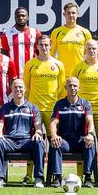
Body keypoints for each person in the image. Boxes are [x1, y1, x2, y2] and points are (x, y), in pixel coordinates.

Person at [23, 35, 65, 184]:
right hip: (34, 110)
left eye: (47, 45)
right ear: (37, 46)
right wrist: (32, 104)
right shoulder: (30, 64)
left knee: (54, 141)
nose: (45, 47)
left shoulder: (58, 64)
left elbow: (61, 88)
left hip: (52, 109)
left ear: (51, 45)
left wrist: (54, 103)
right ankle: (29, 175)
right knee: (33, 140)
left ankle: (54, 175)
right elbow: (26, 87)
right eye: (42, 45)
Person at [0, 79, 45, 188]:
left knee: (39, 142)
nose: (18, 89)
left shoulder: (33, 107)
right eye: (15, 87)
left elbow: (38, 126)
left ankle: (38, 178)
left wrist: (38, 133)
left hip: (26, 141)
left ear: (25, 89)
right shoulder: (5, 107)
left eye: (20, 87)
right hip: (9, 140)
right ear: (12, 89)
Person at [48, 77, 97, 188]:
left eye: (75, 85)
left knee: (90, 142)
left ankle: (88, 177)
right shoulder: (59, 104)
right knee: (55, 142)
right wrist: (54, 135)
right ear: (65, 88)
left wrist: (90, 134)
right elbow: (53, 123)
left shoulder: (85, 104)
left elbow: (90, 121)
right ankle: (57, 177)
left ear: (79, 88)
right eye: (69, 85)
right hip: (65, 141)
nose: (72, 88)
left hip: (80, 140)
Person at [72, 39, 98, 139]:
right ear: (85, 50)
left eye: (94, 49)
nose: (92, 51)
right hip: (83, 109)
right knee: (83, 138)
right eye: (89, 49)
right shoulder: (78, 68)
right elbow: (72, 87)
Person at [51, 2, 92, 77]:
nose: (71, 15)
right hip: (61, 74)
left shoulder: (85, 32)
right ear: (64, 14)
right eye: (68, 13)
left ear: (77, 14)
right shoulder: (56, 32)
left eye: (73, 13)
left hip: (80, 73)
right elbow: (51, 55)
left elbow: (90, 55)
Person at [1, 7, 41, 78]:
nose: (21, 17)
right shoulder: (7, 34)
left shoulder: (35, 33)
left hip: (32, 73)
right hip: (13, 74)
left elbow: (39, 53)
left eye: (23, 15)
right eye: (18, 16)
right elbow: (4, 54)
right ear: (15, 18)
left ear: (27, 17)